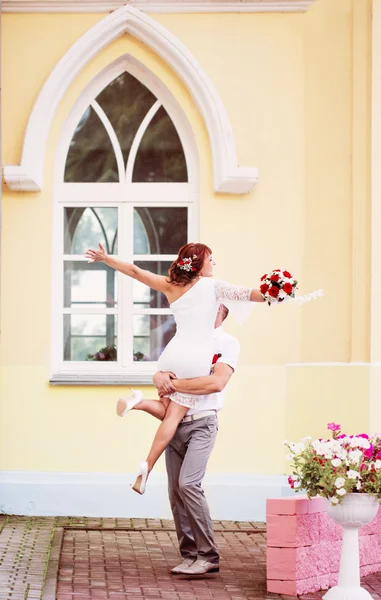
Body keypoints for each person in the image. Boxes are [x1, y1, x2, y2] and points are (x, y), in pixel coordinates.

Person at [84, 242, 265, 495]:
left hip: (172, 354)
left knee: (170, 412)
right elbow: (250, 294)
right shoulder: (213, 286)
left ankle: (140, 405)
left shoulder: (171, 285)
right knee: (173, 418)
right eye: (211, 259)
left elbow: (136, 272)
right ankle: (146, 461)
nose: (214, 263)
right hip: (195, 359)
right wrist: (279, 293)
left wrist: (106, 259)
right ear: (199, 264)